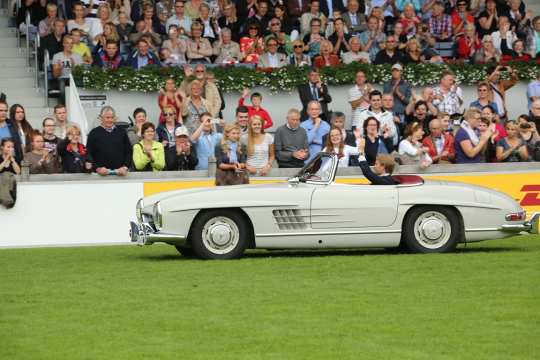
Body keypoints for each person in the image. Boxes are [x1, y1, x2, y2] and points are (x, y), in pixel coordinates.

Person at [86, 106, 132, 176]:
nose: (110, 120)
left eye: (112, 117)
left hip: (120, 174)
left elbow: (129, 151)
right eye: (107, 117)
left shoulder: (122, 132)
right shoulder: (93, 133)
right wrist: (97, 168)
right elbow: (89, 153)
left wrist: (125, 167)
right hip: (100, 176)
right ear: (101, 118)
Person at [0, 138, 20, 208]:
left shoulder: (15, 158)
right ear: (2, 147)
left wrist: (12, 160)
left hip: (12, 182)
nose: (11, 149)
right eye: (8, 147)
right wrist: (6, 159)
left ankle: (7, 198)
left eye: (12, 147)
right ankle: (5, 198)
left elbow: (18, 172)